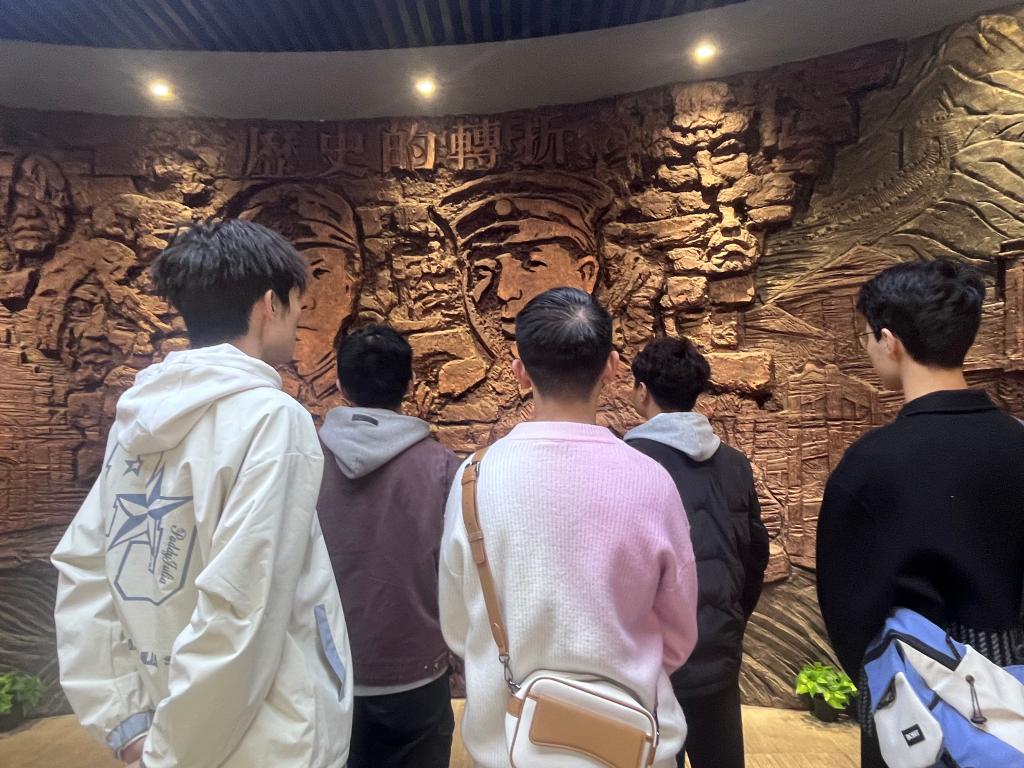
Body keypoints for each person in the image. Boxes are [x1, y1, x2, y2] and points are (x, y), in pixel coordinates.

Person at [51, 220, 353, 768]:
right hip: (267, 735)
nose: (298, 321)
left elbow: (85, 568)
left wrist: (129, 722)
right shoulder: (272, 417)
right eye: (296, 304)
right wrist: (172, 752)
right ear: (270, 304)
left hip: (165, 720)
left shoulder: (137, 419)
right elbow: (242, 607)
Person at [438, 286, 699, 768]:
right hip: (629, 744)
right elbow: (679, 633)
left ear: (520, 372)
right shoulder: (652, 480)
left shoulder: (474, 478)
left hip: (508, 746)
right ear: (613, 367)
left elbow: (458, 623)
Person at [816, 258, 1024, 767]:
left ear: (890, 341)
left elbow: (846, 607)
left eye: (867, 336)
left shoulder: (870, 464)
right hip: (1014, 689)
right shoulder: (1018, 442)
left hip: (912, 694)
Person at [317, 323, 460, 768]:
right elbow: (458, 574)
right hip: (418, 673)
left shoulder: (303, 459)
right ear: (411, 384)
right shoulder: (442, 467)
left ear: (340, 384)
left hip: (326, 672)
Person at [625, 336, 770, 768]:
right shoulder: (735, 464)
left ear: (642, 391)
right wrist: (728, 618)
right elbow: (754, 556)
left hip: (650, 664)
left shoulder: (626, 463)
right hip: (718, 653)